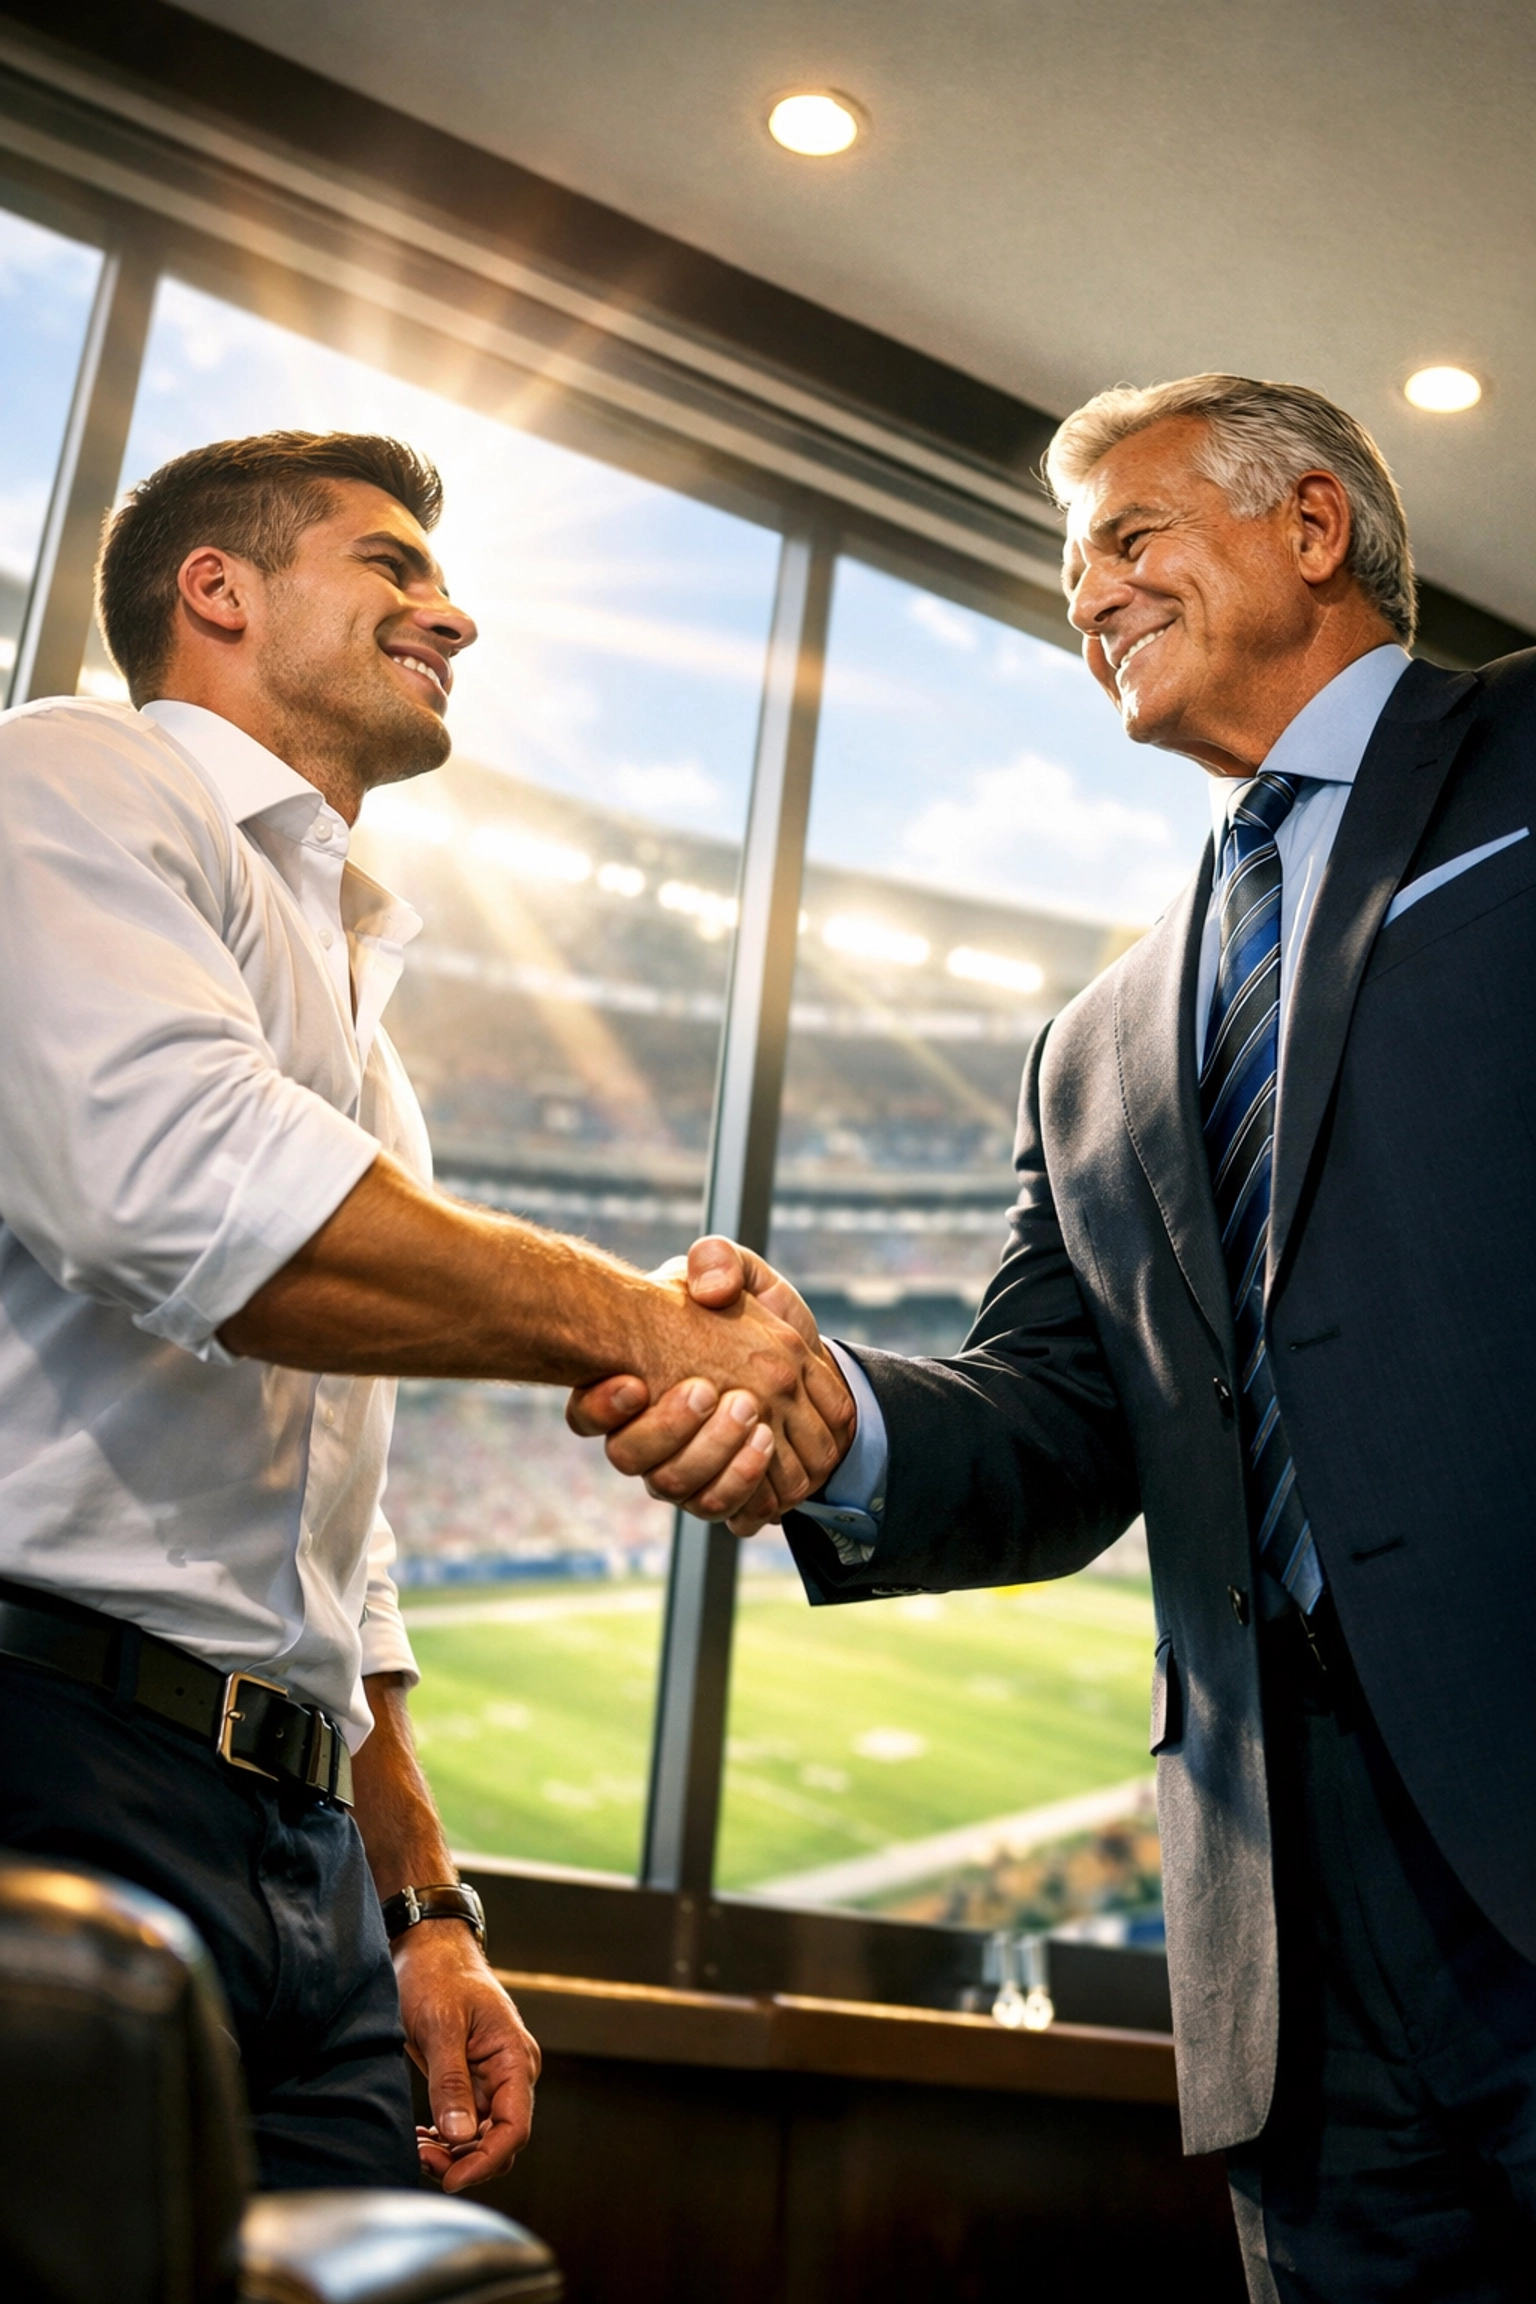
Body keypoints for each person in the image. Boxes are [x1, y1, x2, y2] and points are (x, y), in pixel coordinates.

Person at [572, 375, 1536, 2299]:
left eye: (1128, 538)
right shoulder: (1092, 1046)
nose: (1085, 597)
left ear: (1313, 528)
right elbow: (1059, 1426)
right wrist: (828, 1413)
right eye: (1070, 569)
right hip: (1286, 1943)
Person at [0, 429, 851, 2194]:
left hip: (302, 1855)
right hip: (47, 1759)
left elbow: (334, 1548)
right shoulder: (66, 777)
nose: (449, 615)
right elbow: (183, 1193)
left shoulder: (363, 1037)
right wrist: (652, 1330)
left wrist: (425, 1902)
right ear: (217, 591)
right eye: (390, 565)